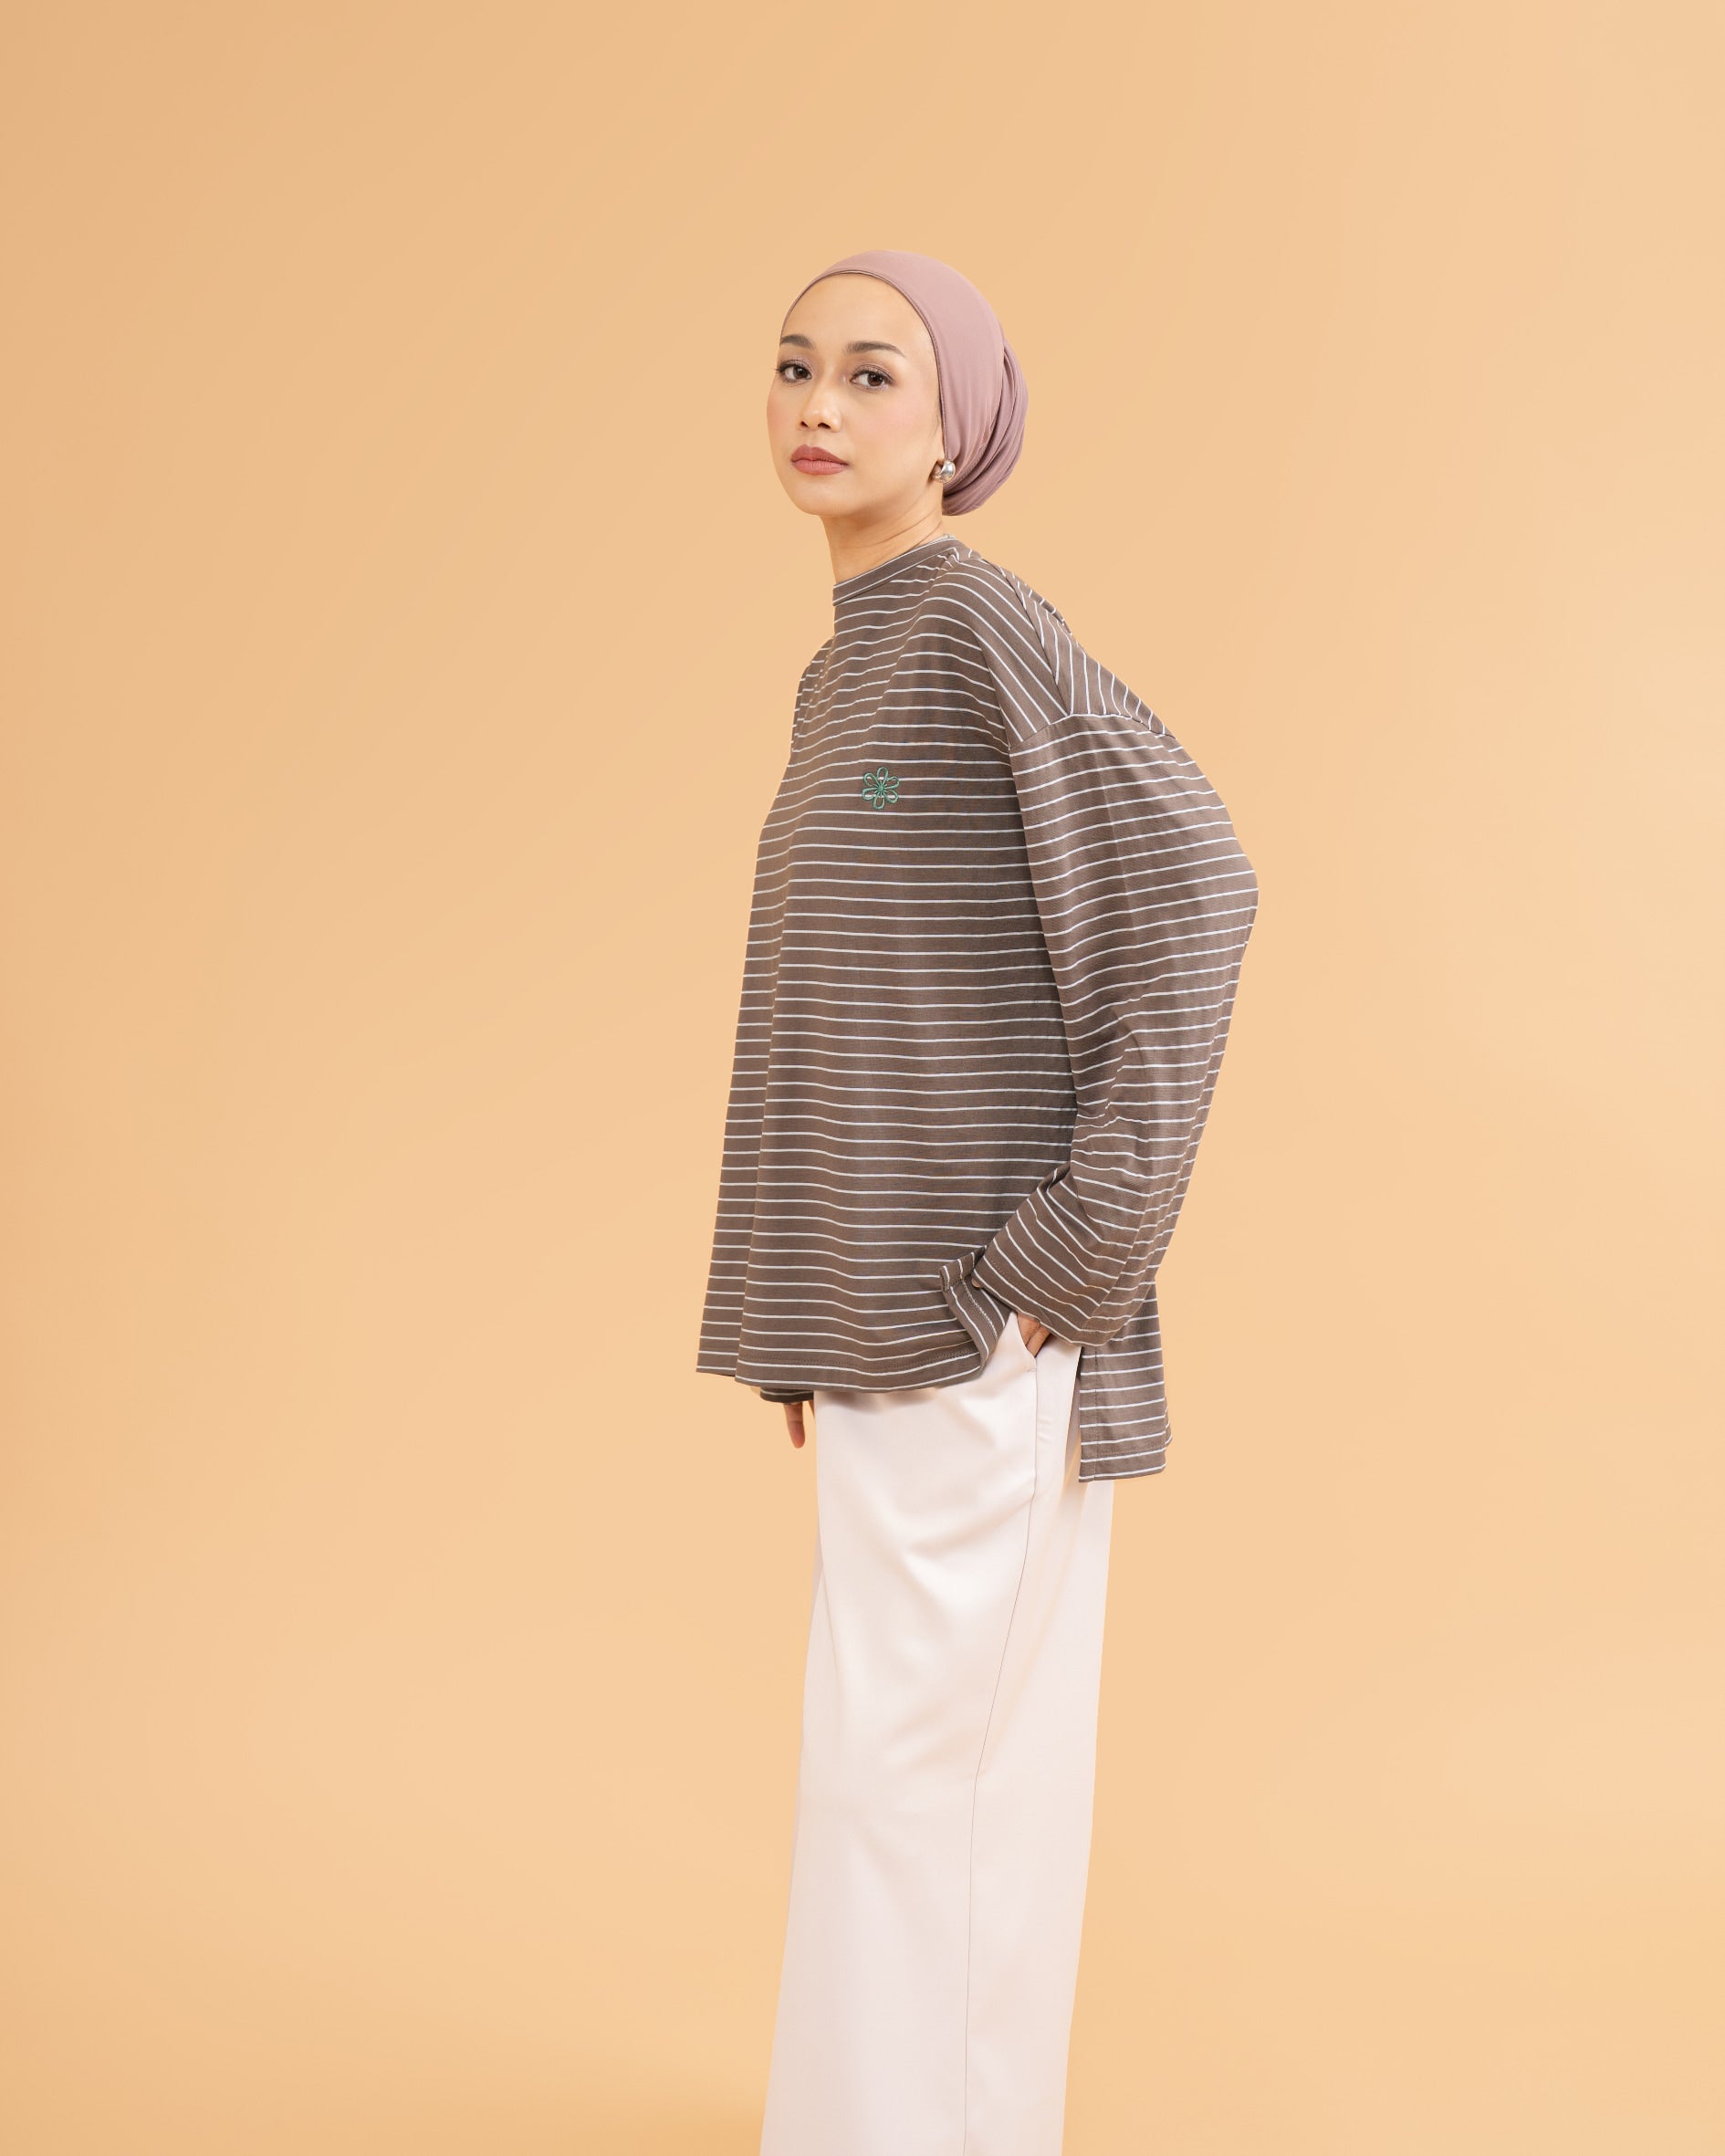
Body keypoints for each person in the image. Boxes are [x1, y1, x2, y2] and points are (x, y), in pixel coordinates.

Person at [695, 247, 1260, 2156]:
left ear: (957, 427)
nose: (819, 405)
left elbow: (1198, 879)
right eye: (795, 366)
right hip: (894, 1329)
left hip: (978, 1325)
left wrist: (1073, 1252)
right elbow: (857, 1005)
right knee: (942, 1784)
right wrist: (803, 1305)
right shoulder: (848, 661)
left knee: (909, 1781)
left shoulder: (968, 622)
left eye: (874, 374)